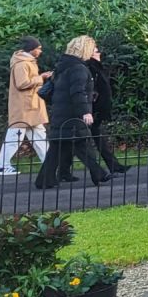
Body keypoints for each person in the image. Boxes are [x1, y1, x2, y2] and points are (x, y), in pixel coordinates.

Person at [34, 35, 112, 189]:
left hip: (61, 112)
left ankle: (44, 180)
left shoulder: (64, 66)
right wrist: (85, 111)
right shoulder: (79, 68)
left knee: (58, 148)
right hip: (72, 114)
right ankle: (99, 174)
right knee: (81, 144)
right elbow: (78, 92)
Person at [0, 37, 50, 175]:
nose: (40, 51)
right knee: (15, 137)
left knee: (39, 137)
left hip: (30, 106)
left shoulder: (26, 62)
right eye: (39, 48)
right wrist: (41, 78)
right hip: (24, 107)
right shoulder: (22, 64)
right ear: (32, 49)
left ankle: (50, 163)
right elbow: (22, 83)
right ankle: (2, 166)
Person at [85, 45, 129, 175]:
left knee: (98, 139)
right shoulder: (91, 68)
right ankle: (107, 169)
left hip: (96, 108)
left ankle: (113, 165)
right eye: (96, 51)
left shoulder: (96, 66)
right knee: (83, 142)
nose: (99, 52)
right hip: (93, 109)